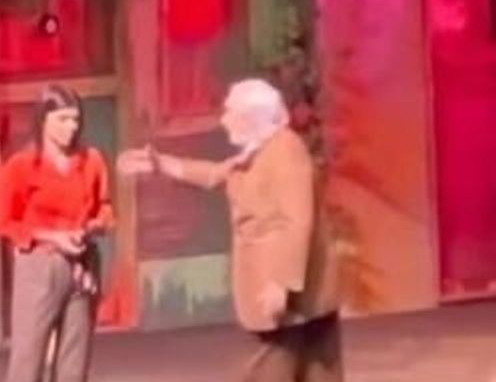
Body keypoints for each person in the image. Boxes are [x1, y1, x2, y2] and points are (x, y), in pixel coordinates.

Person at [119, 78, 342, 382]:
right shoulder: (260, 150)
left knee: (273, 370)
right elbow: (214, 174)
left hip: (290, 295)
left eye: (230, 113)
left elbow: (296, 221)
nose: (224, 121)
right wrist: (161, 164)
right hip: (288, 299)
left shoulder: (286, 153)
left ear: (253, 117)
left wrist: (282, 283)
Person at [0, 85, 113, 382]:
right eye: (62, 119)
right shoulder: (21, 166)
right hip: (40, 265)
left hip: (82, 264)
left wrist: (91, 227)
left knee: (75, 361)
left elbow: (105, 209)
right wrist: (53, 237)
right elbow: (2, 221)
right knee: (28, 359)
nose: (71, 127)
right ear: (43, 120)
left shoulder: (91, 160)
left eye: (75, 119)